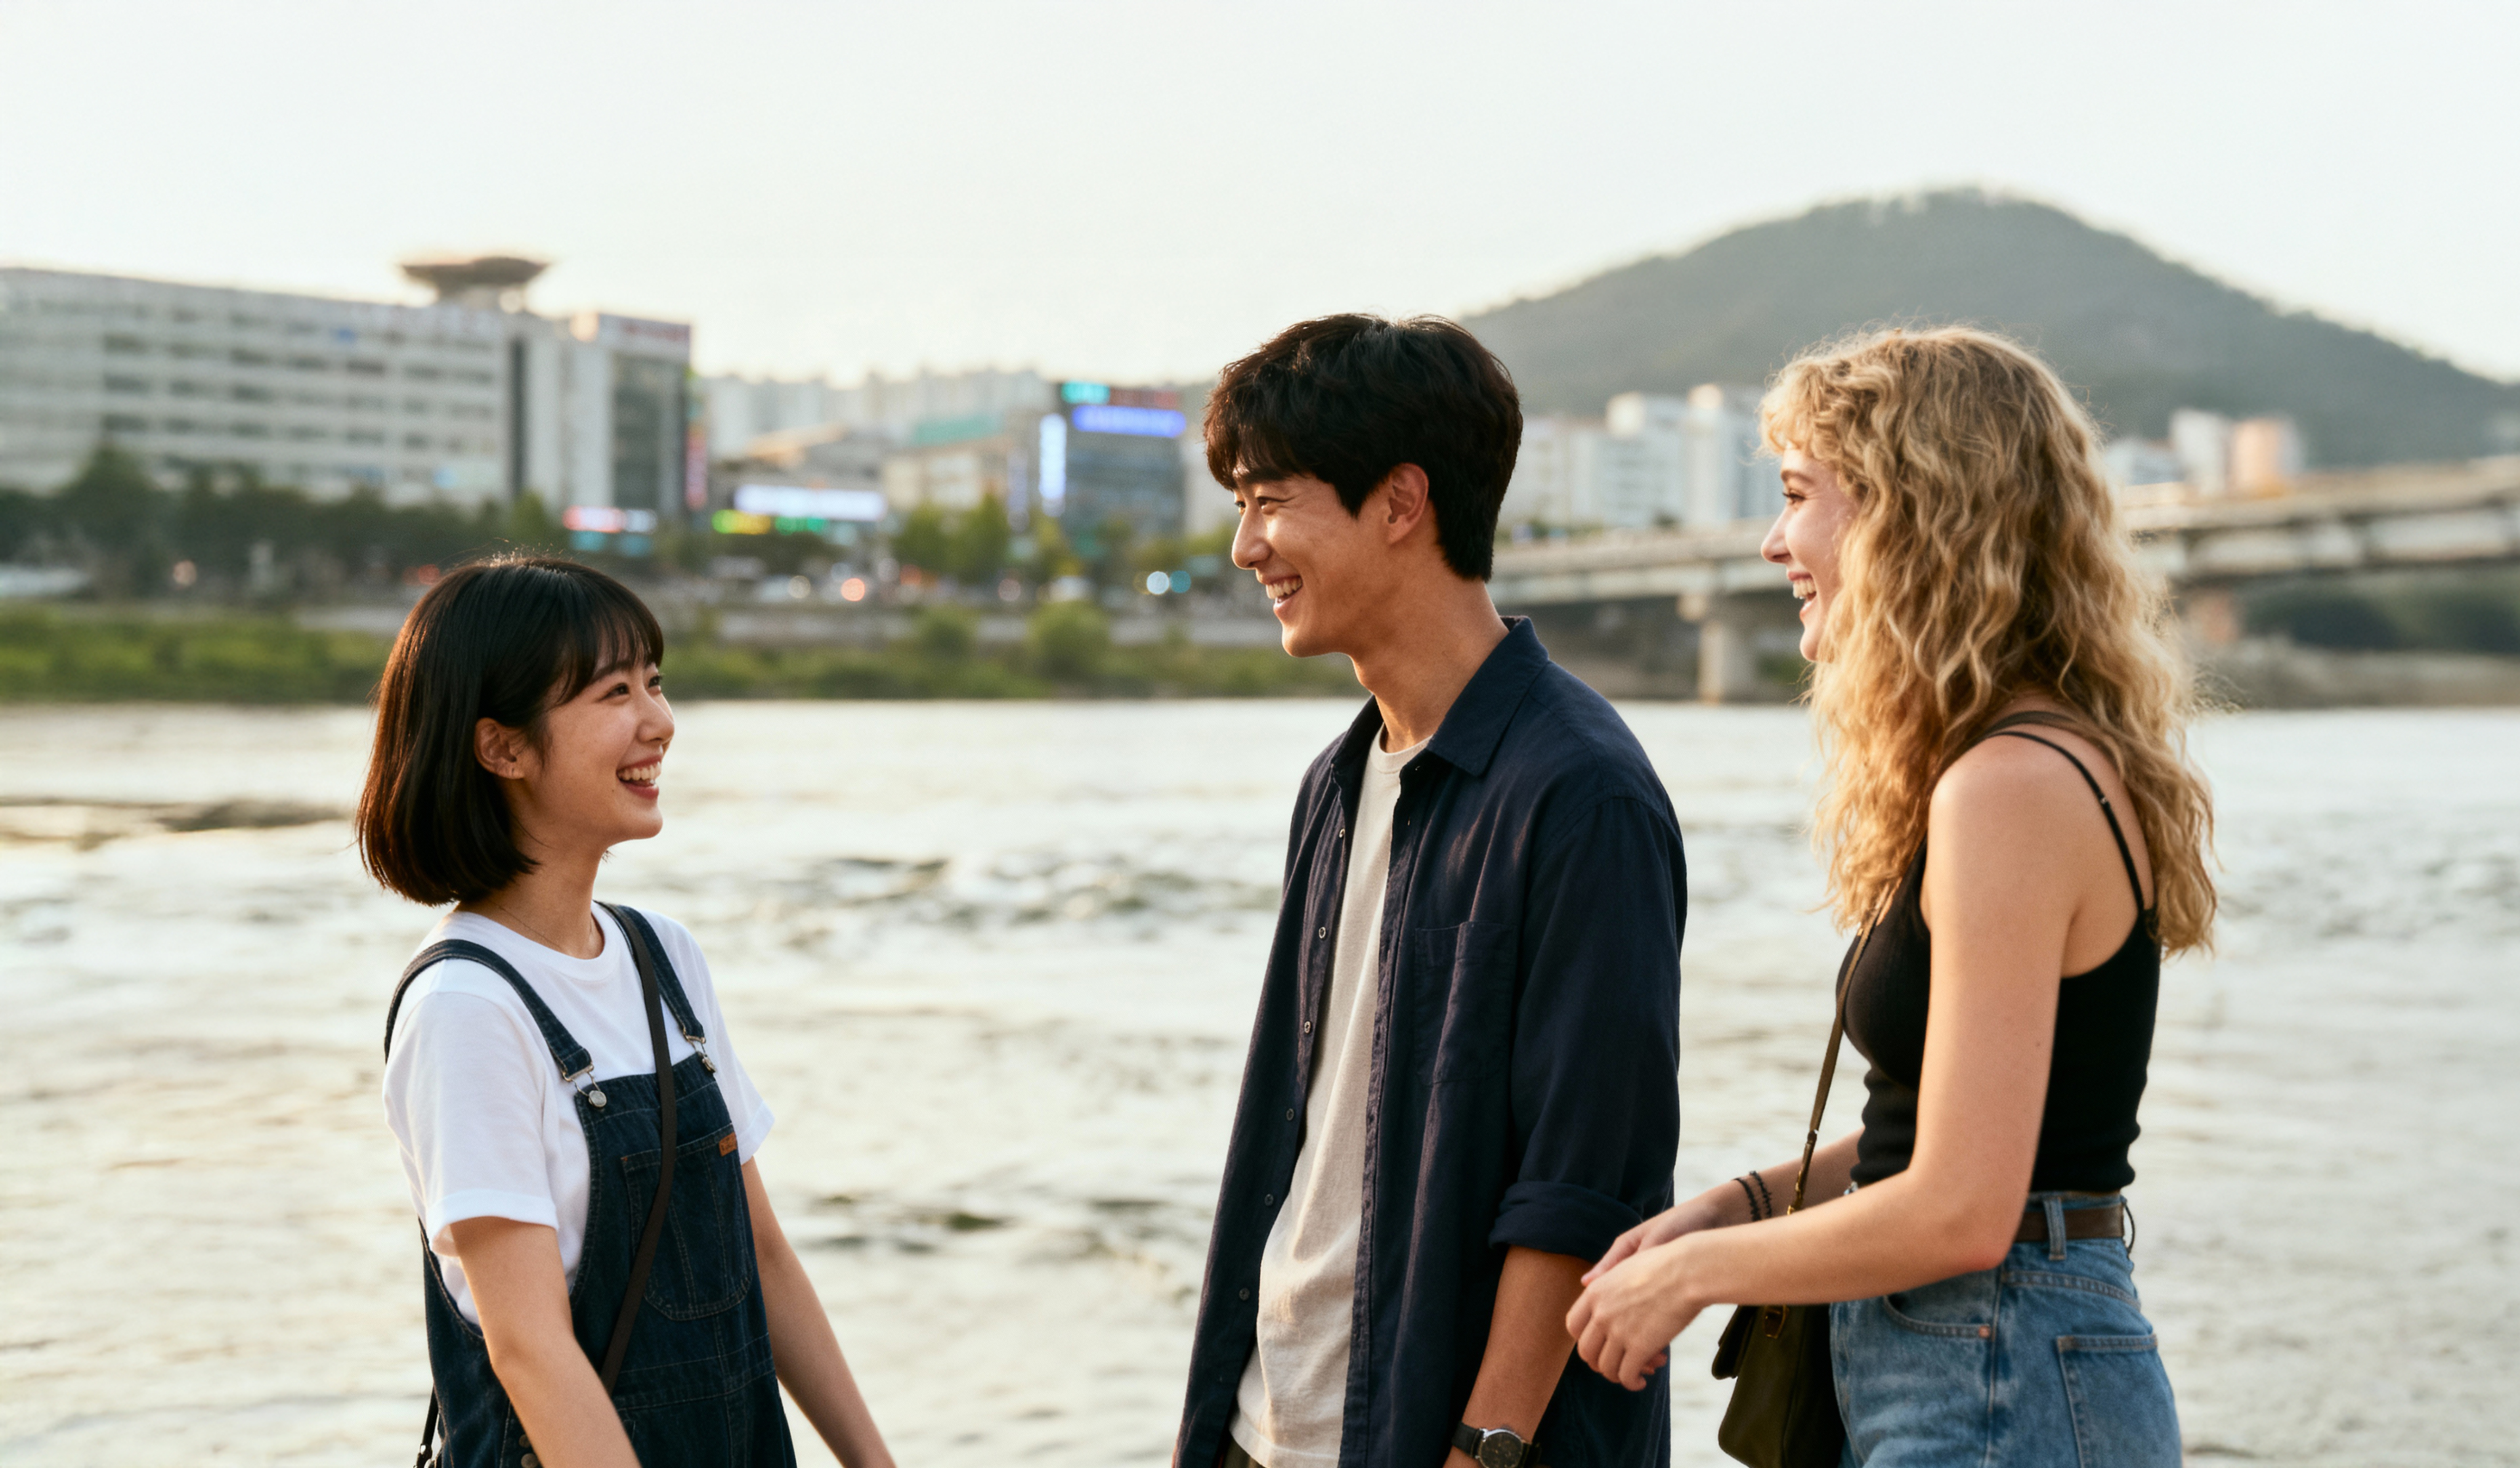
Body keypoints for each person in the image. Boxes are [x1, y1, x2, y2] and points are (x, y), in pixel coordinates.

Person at [1565, 327, 2216, 1466]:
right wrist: (1738, 1206)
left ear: (1911, 513)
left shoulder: (2011, 784)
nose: (1775, 541)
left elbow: (1963, 1205)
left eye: (1798, 494)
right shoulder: (2015, 762)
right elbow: (1936, 1131)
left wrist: (1688, 1278)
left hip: (1997, 1357)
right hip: (1982, 1353)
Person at [1173, 315, 1687, 1468]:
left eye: (1271, 500)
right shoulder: (1340, 783)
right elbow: (1294, 1140)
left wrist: (1484, 1445)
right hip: (1274, 1424)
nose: (1248, 546)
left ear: (1401, 504)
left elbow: (1584, 1178)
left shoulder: (1582, 796)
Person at [357, 554, 895, 1468]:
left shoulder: (661, 957)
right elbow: (528, 1348)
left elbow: (760, 1254)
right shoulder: (467, 1007)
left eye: (655, 681)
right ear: (504, 747)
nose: (660, 722)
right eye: (614, 693)